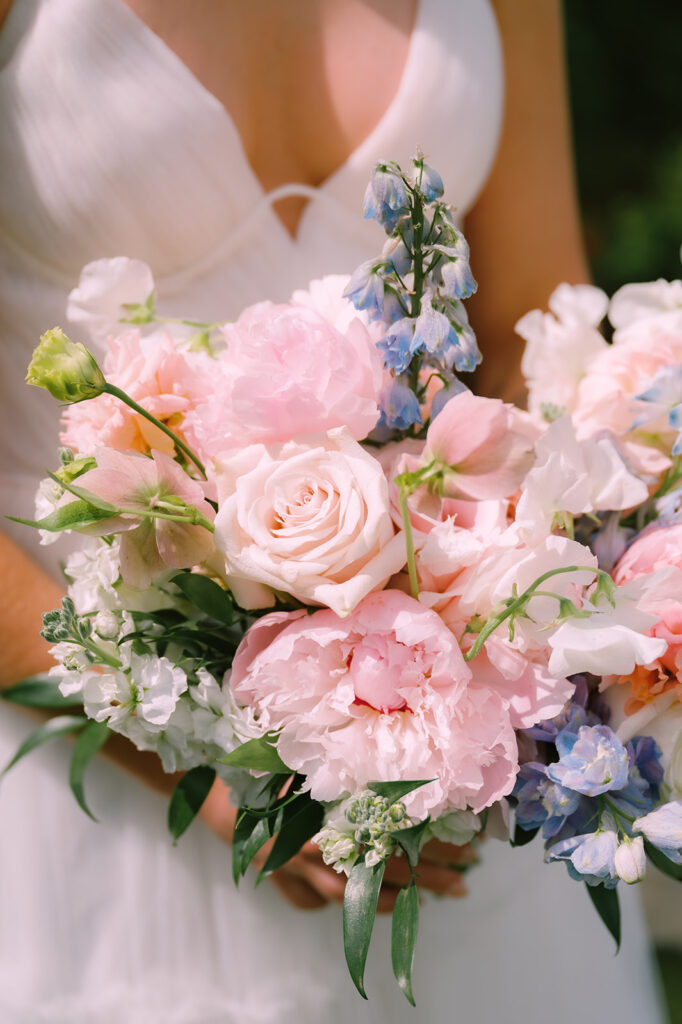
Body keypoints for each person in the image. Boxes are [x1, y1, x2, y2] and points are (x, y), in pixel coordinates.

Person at [0, 0, 668, 1020]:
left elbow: (529, 299)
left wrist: (599, 586)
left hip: (454, 751)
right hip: (98, 769)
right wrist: (211, 772)